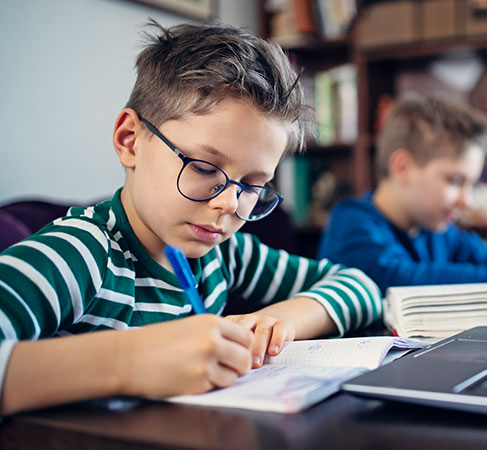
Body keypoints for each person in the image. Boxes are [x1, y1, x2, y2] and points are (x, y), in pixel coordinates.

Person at [0, 21, 381, 415]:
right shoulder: (79, 254)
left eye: (252, 185)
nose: (230, 204)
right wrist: (130, 361)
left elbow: (360, 287)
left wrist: (280, 321)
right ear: (130, 141)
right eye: (203, 168)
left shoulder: (222, 255)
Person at [317, 94, 487, 294]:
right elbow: (399, 278)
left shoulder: (437, 230)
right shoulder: (350, 222)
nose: (467, 200)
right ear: (403, 168)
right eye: (456, 181)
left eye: (472, 185)